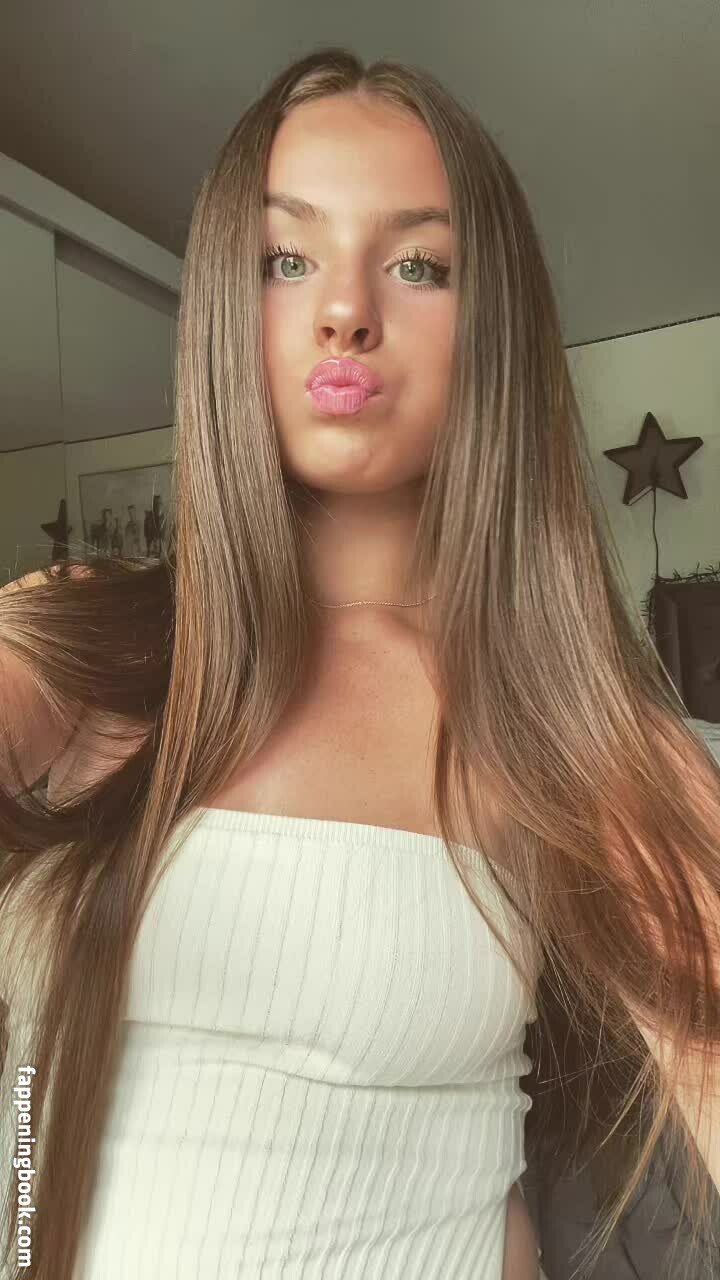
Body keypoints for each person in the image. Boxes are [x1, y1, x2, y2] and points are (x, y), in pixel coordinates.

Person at [1, 46, 719, 1280]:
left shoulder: (572, 725)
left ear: (492, 327)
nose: (345, 310)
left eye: (417, 264)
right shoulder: (84, 645)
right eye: (287, 258)